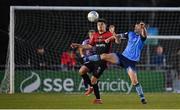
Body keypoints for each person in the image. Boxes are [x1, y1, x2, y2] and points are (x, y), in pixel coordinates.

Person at [73, 21, 147, 104]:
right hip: (122, 57)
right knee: (104, 55)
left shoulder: (142, 37)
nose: (137, 27)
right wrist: (112, 35)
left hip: (131, 62)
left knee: (134, 81)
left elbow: (144, 35)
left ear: (141, 29)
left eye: (139, 27)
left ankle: (142, 98)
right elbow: (118, 38)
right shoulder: (130, 33)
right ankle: (85, 59)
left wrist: (143, 28)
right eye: (136, 26)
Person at [71, 18, 120, 104]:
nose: (100, 26)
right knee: (81, 71)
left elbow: (118, 41)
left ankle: (98, 99)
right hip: (94, 58)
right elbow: (89, 46)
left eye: (102, 24)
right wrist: (78, 45)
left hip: (102, 60)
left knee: (93, 79)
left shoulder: (109, 34)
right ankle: (91, 87)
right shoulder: (95, 35)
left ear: (105, 26)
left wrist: (114, 33)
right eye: (98, 25)